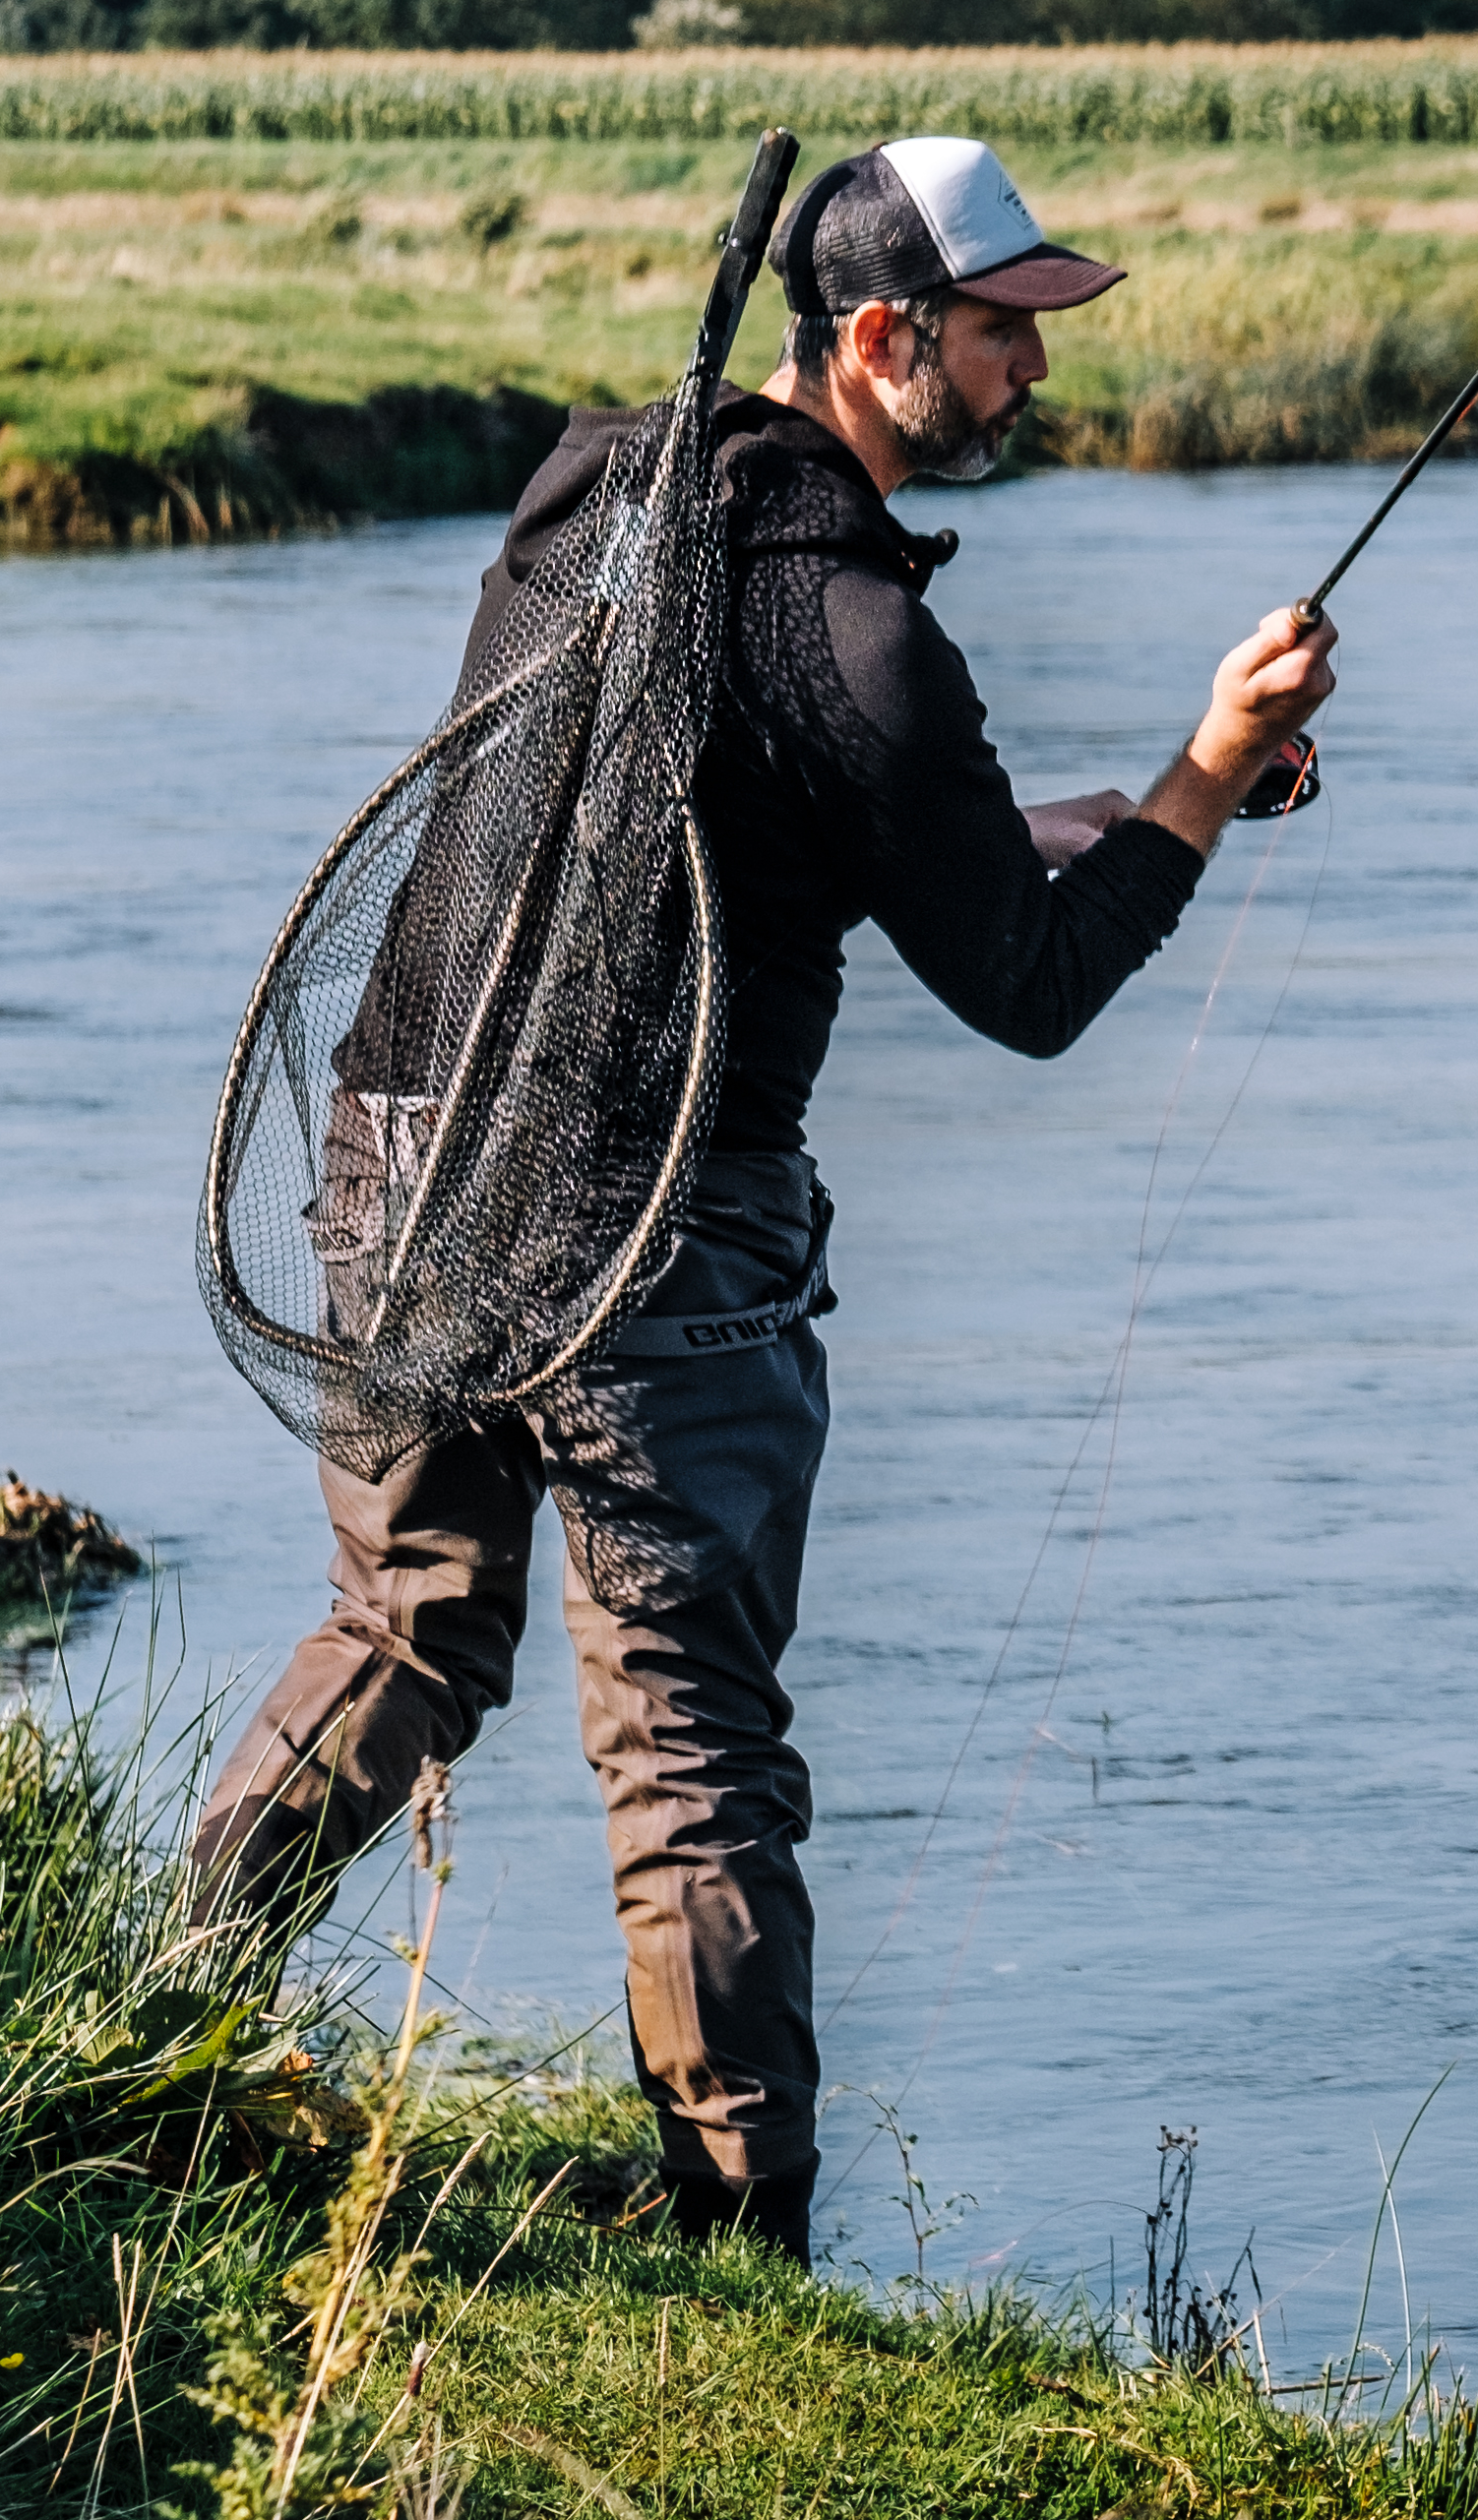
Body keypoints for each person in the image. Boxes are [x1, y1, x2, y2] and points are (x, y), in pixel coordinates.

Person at [185, 134, 1339, 2255]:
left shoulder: (591, 488)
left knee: (404, 1630)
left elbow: (719, 767)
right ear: (882, 337)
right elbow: (1029, 990)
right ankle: (741, 2242)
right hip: (661, 1236)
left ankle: (155, 2001)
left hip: (406, 1155)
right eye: (1003, 338)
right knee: (692, 1752)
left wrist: (1029, 813)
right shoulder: (869, 642)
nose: (1032, 377)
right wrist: (1200, 769)